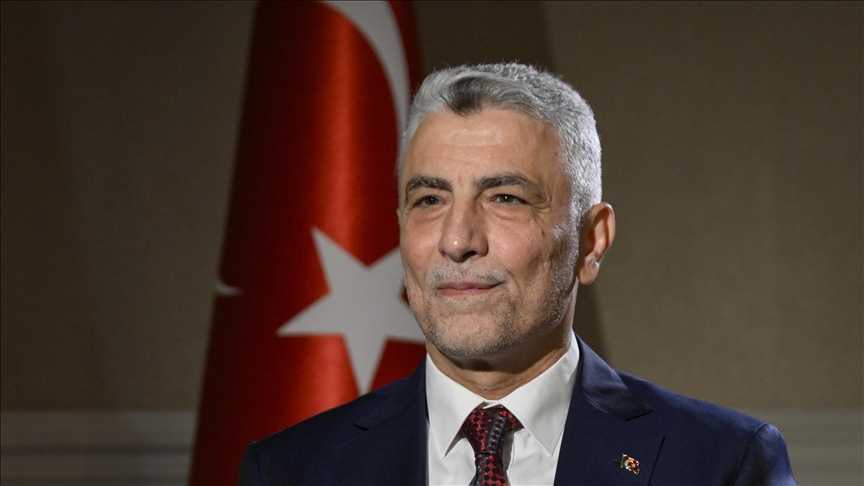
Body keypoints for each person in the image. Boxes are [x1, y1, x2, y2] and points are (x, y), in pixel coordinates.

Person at [239, 63, 795, 485]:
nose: (457, 240)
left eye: (504, 197)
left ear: (591, 242)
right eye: (430, 199)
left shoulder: (721, 464)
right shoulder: (290, 470)